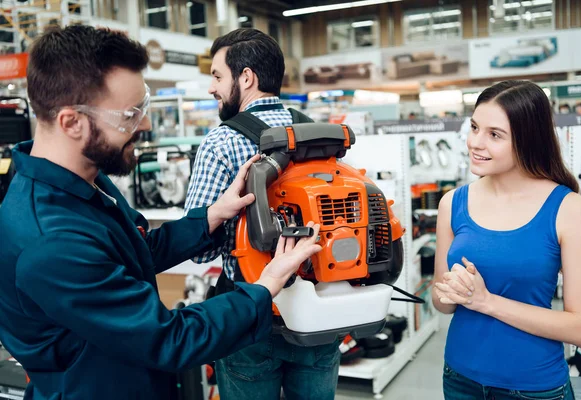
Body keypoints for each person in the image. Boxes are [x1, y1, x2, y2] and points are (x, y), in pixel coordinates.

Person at [0, 25, 322, 400]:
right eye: (130, 114)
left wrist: (211, 216)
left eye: (145, 106)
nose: (147, 125)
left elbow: (135, 256)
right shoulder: (50, 242)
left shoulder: (85, 181)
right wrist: (265, 287)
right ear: (72, 122)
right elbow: (171, 338)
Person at [184, 28, 341, 400]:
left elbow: (201, 250)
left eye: (218, 76)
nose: (212, 88)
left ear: (247, 77)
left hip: (250, 316)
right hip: (319, 310)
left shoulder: (220, 143)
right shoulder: (323, 135)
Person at [433, 80, 581, 400]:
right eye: (474, 128)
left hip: (533, 387)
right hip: (459, 379)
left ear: (527, 141)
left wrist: (486, 301)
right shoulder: (452, 204)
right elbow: (442, 304)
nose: (475, 143)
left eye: (494, 135)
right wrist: (453, 291)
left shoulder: (567, 209)